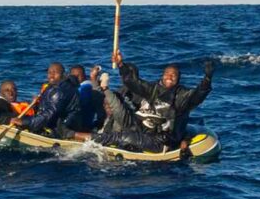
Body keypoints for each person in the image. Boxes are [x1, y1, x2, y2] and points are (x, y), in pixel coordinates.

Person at [74, 52, 214, 154]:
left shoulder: (182, 95)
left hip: (160, 140)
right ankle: (87, 132)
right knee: (121, 113)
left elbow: (197, 96)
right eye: (167, 74)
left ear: (178, 78)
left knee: (121, 137)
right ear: (162, 75)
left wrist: (207, 79)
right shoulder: (153, 88)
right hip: (142, 128)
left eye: (173, 75)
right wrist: (121, 65)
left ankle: (74, 135)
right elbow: (133, 83)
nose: (169, 77)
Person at [10, 62, 80, 136]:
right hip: (56, 122)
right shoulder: (54, 86)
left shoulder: (60, 91)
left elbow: (49, 114)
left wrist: (25, 122)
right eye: (49, 72)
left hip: (61, 128)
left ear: (63, 74)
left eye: (55, 72)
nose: (51, 75)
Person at [64, 65, 106, 132]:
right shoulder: (83, 86)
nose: (74, 79)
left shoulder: (85, 88)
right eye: (72, 77)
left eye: (78, 76)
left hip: (82, 126)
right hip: (83, 123)